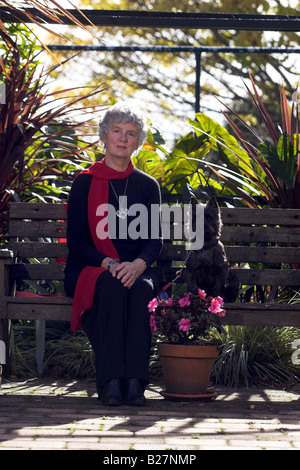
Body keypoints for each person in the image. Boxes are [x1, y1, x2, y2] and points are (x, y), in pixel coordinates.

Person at [64, 102, 163, 406]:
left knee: (140, 290)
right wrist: (108, 263)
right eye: (116, 131)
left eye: (131, 134)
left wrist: (137, 265)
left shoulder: (148, 186)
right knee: (111, 286)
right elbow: (77, 241)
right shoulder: (84, 183)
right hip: (92, 267)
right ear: (103, 137)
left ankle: (134, 383)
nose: (123, 138)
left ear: (138, 143)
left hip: (137, 267)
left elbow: (154, 238)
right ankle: (110, 382)